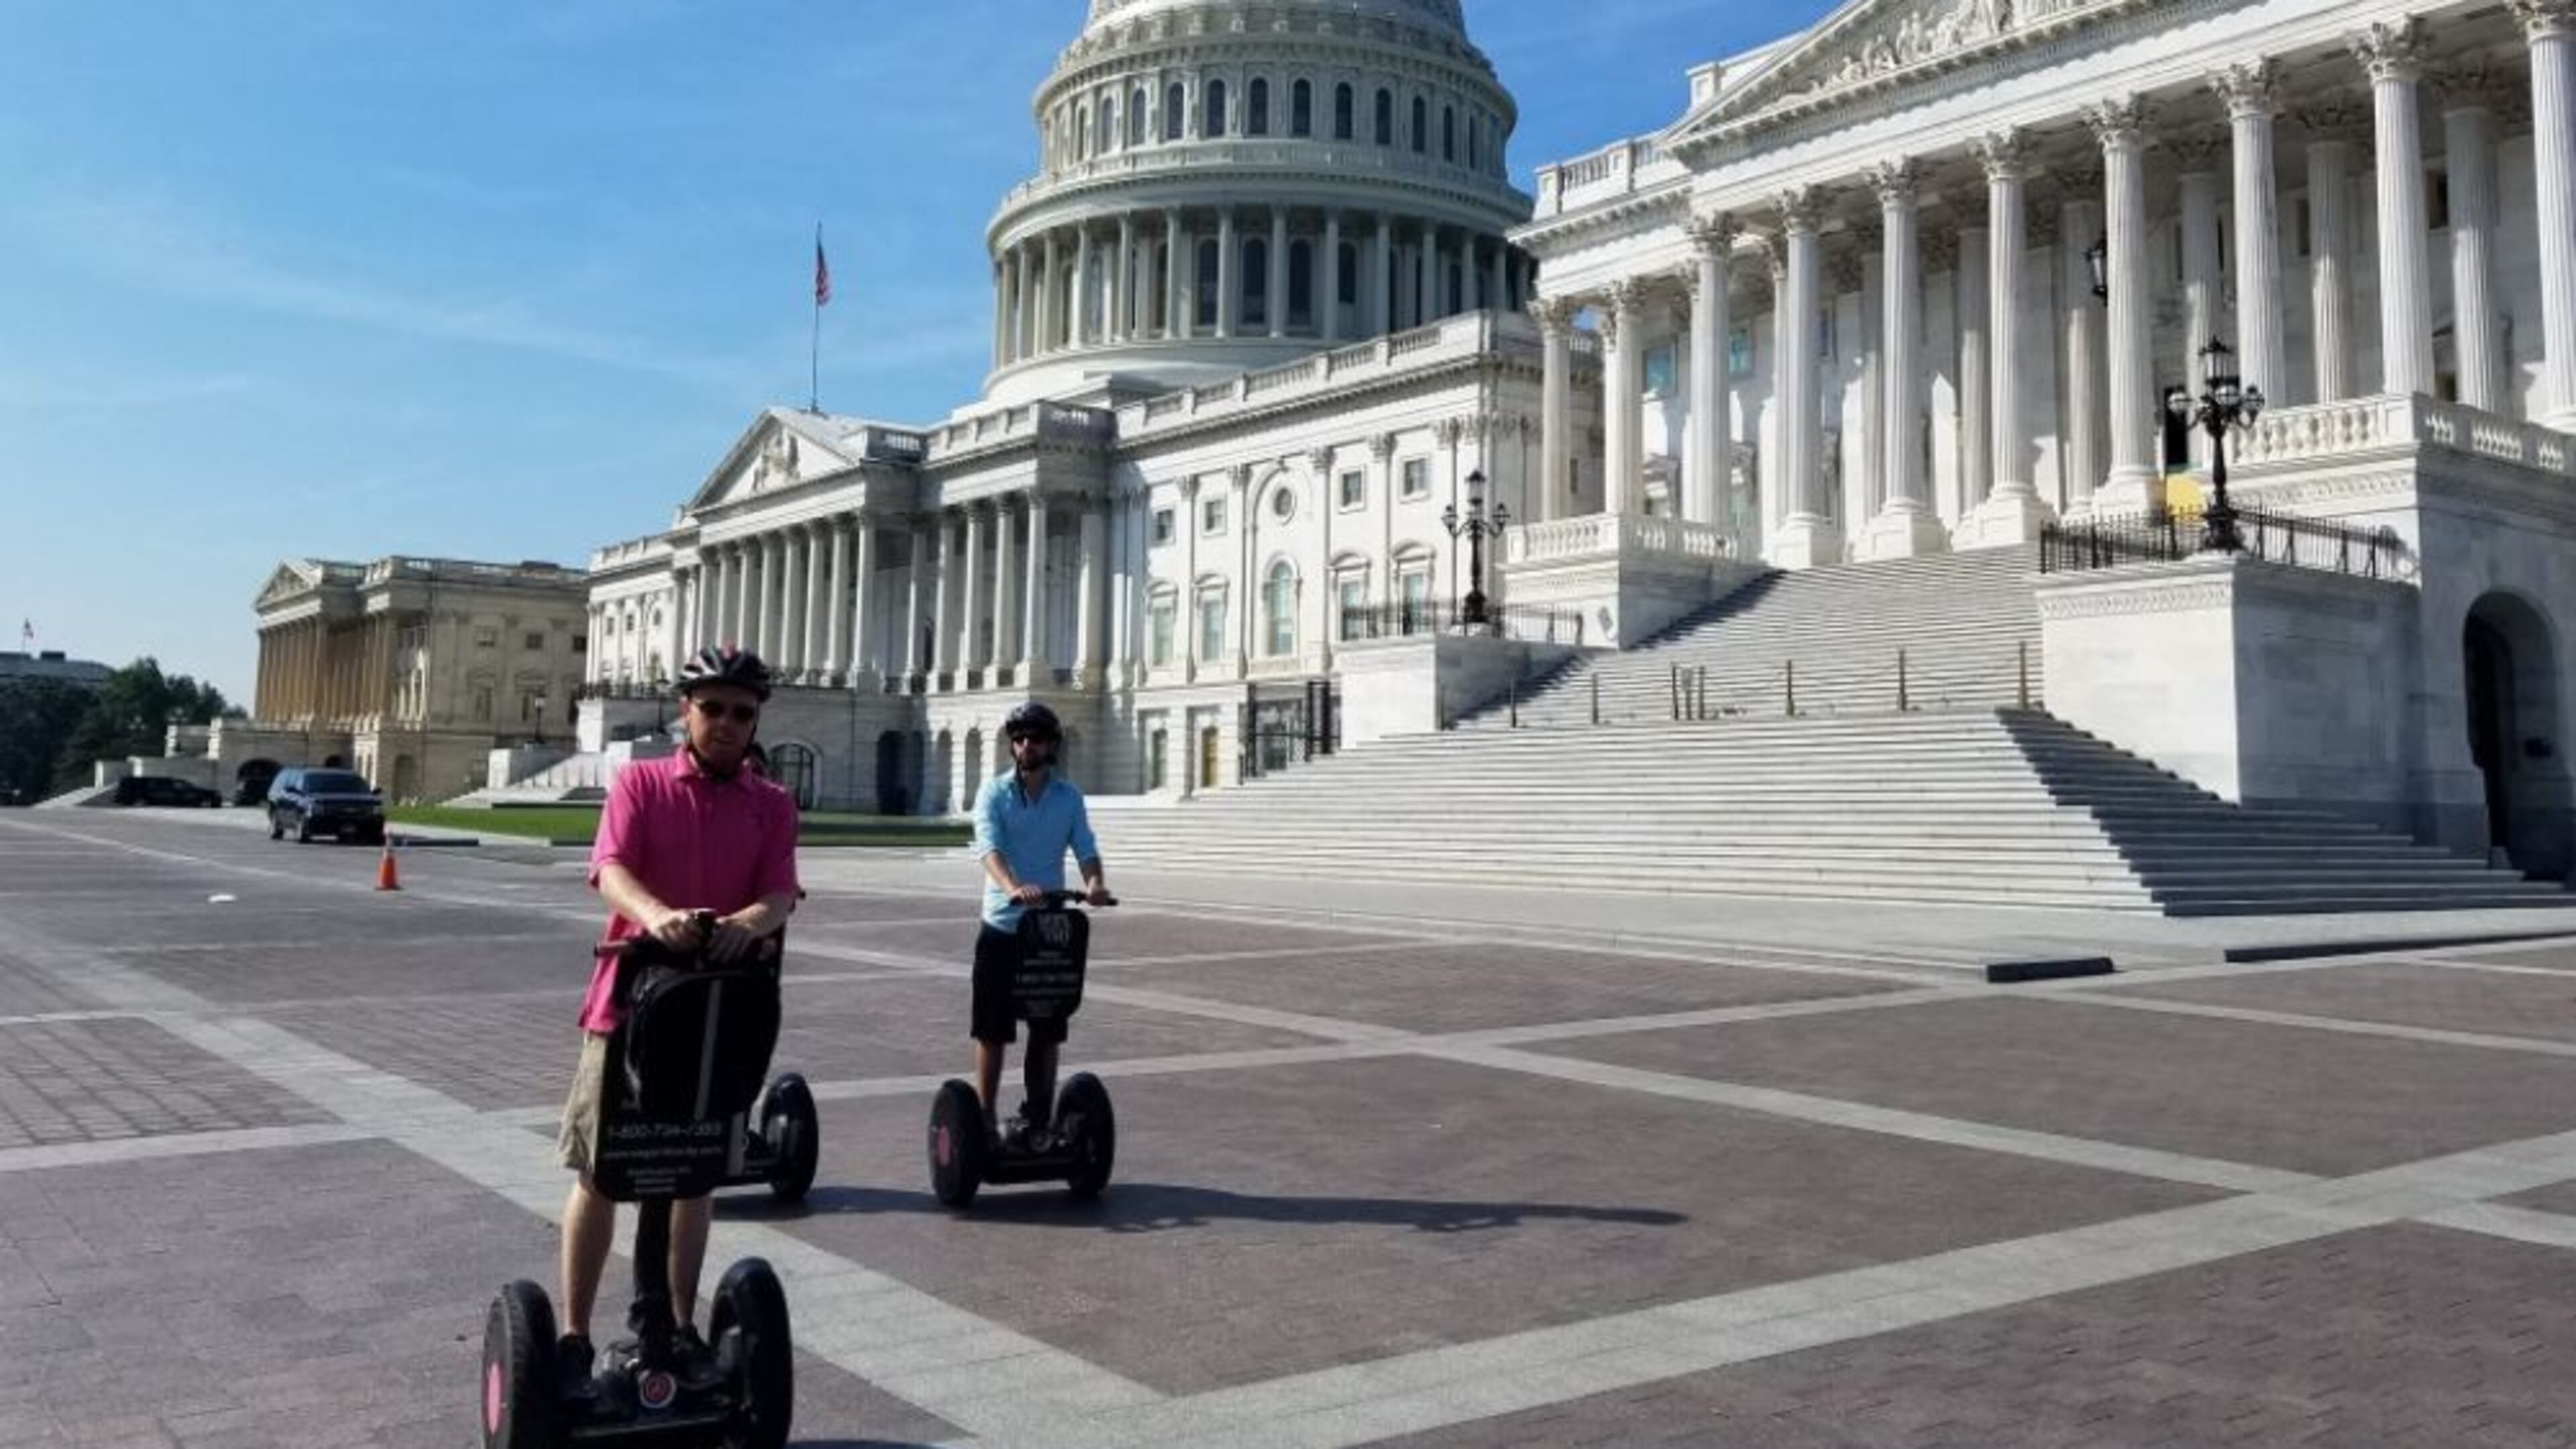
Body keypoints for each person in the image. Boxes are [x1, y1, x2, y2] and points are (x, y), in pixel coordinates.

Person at [553, 644, 800, 1391]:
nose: (726, 724)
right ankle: (573, 1336)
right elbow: (610, 868)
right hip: (627, 1009)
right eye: (712, 708)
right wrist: (657, 916)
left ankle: (681, 1326)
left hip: (717, 1015)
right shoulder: (641, 783)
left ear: (755, 722)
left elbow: (779, 893)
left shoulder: (771, 804)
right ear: (685, 711)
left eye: (741, 713)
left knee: (694, 1175)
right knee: (603, 1173)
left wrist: (745, 923)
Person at [970, 700, 1110, 1144]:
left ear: (1051, 745)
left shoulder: (1069, 798)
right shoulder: (993, 793)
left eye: (1034, 738)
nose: (1026, 745)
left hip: (1047, 930)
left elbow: (1085, 847)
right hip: (1002, 926)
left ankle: (1038, 1117)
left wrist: (1095, 883)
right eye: (1019, 739)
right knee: (993, 1029)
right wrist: (1012, 886)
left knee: (1047, 1028)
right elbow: (989, 849)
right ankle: (985, 1118)